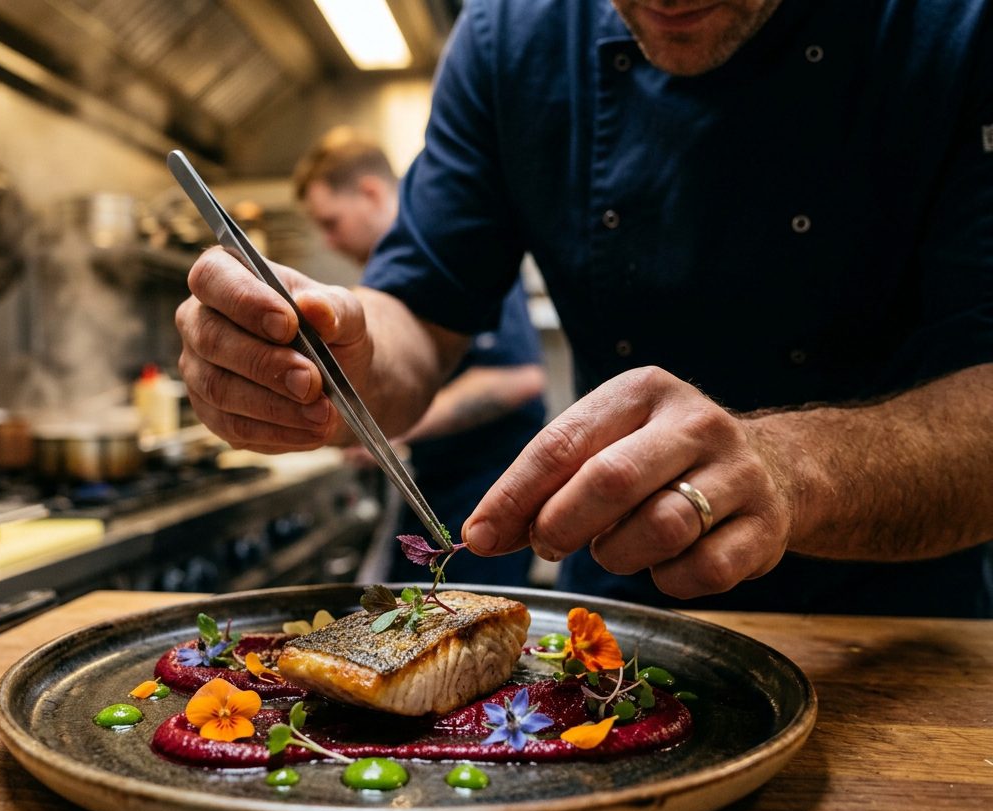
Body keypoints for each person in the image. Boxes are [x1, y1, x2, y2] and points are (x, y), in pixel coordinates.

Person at [175, 0, 993, 616]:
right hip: (619, 613)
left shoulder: (956, 28)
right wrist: (332, 357)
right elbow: (414, 316)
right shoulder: (510, 39)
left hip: (900, 624)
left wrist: (791, 470)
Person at [292, 127, 547, 586]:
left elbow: (518, 378)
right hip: (436, 487)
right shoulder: (382, 278)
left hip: (487, 495)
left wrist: (386, 429)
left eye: (331, 223)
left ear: (370, 193)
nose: (328, 242)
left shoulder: (453, 253)